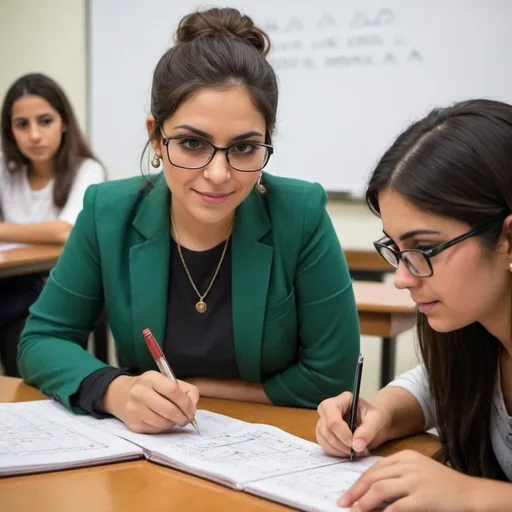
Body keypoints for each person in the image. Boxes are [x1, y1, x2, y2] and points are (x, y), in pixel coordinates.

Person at [18, 7, 360, 434]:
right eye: (193, 143)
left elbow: (332, 380)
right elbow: (40, 341)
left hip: (271, 450)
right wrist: (117, 391)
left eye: (244, 148)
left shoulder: (301, 213)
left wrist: (196, 388)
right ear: (155, 137)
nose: (218, 174)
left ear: (267, 142)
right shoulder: (108, 212)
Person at [316, 98, 512, 511]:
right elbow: (436, 386)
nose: (403, 277)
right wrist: (381, 412)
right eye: (396, 247)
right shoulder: (477, 333)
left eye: (424, 247)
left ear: (508, 238)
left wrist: (473, 495)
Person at [0, 73, 105, 377]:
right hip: (10, 284)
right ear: (11, 132)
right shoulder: (7, 172)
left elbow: (64, 231)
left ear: (64, 123)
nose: (34, 135)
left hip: (57, 286)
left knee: (22, 343)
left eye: (44, 121)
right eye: (22, 125)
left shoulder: (87, 169)